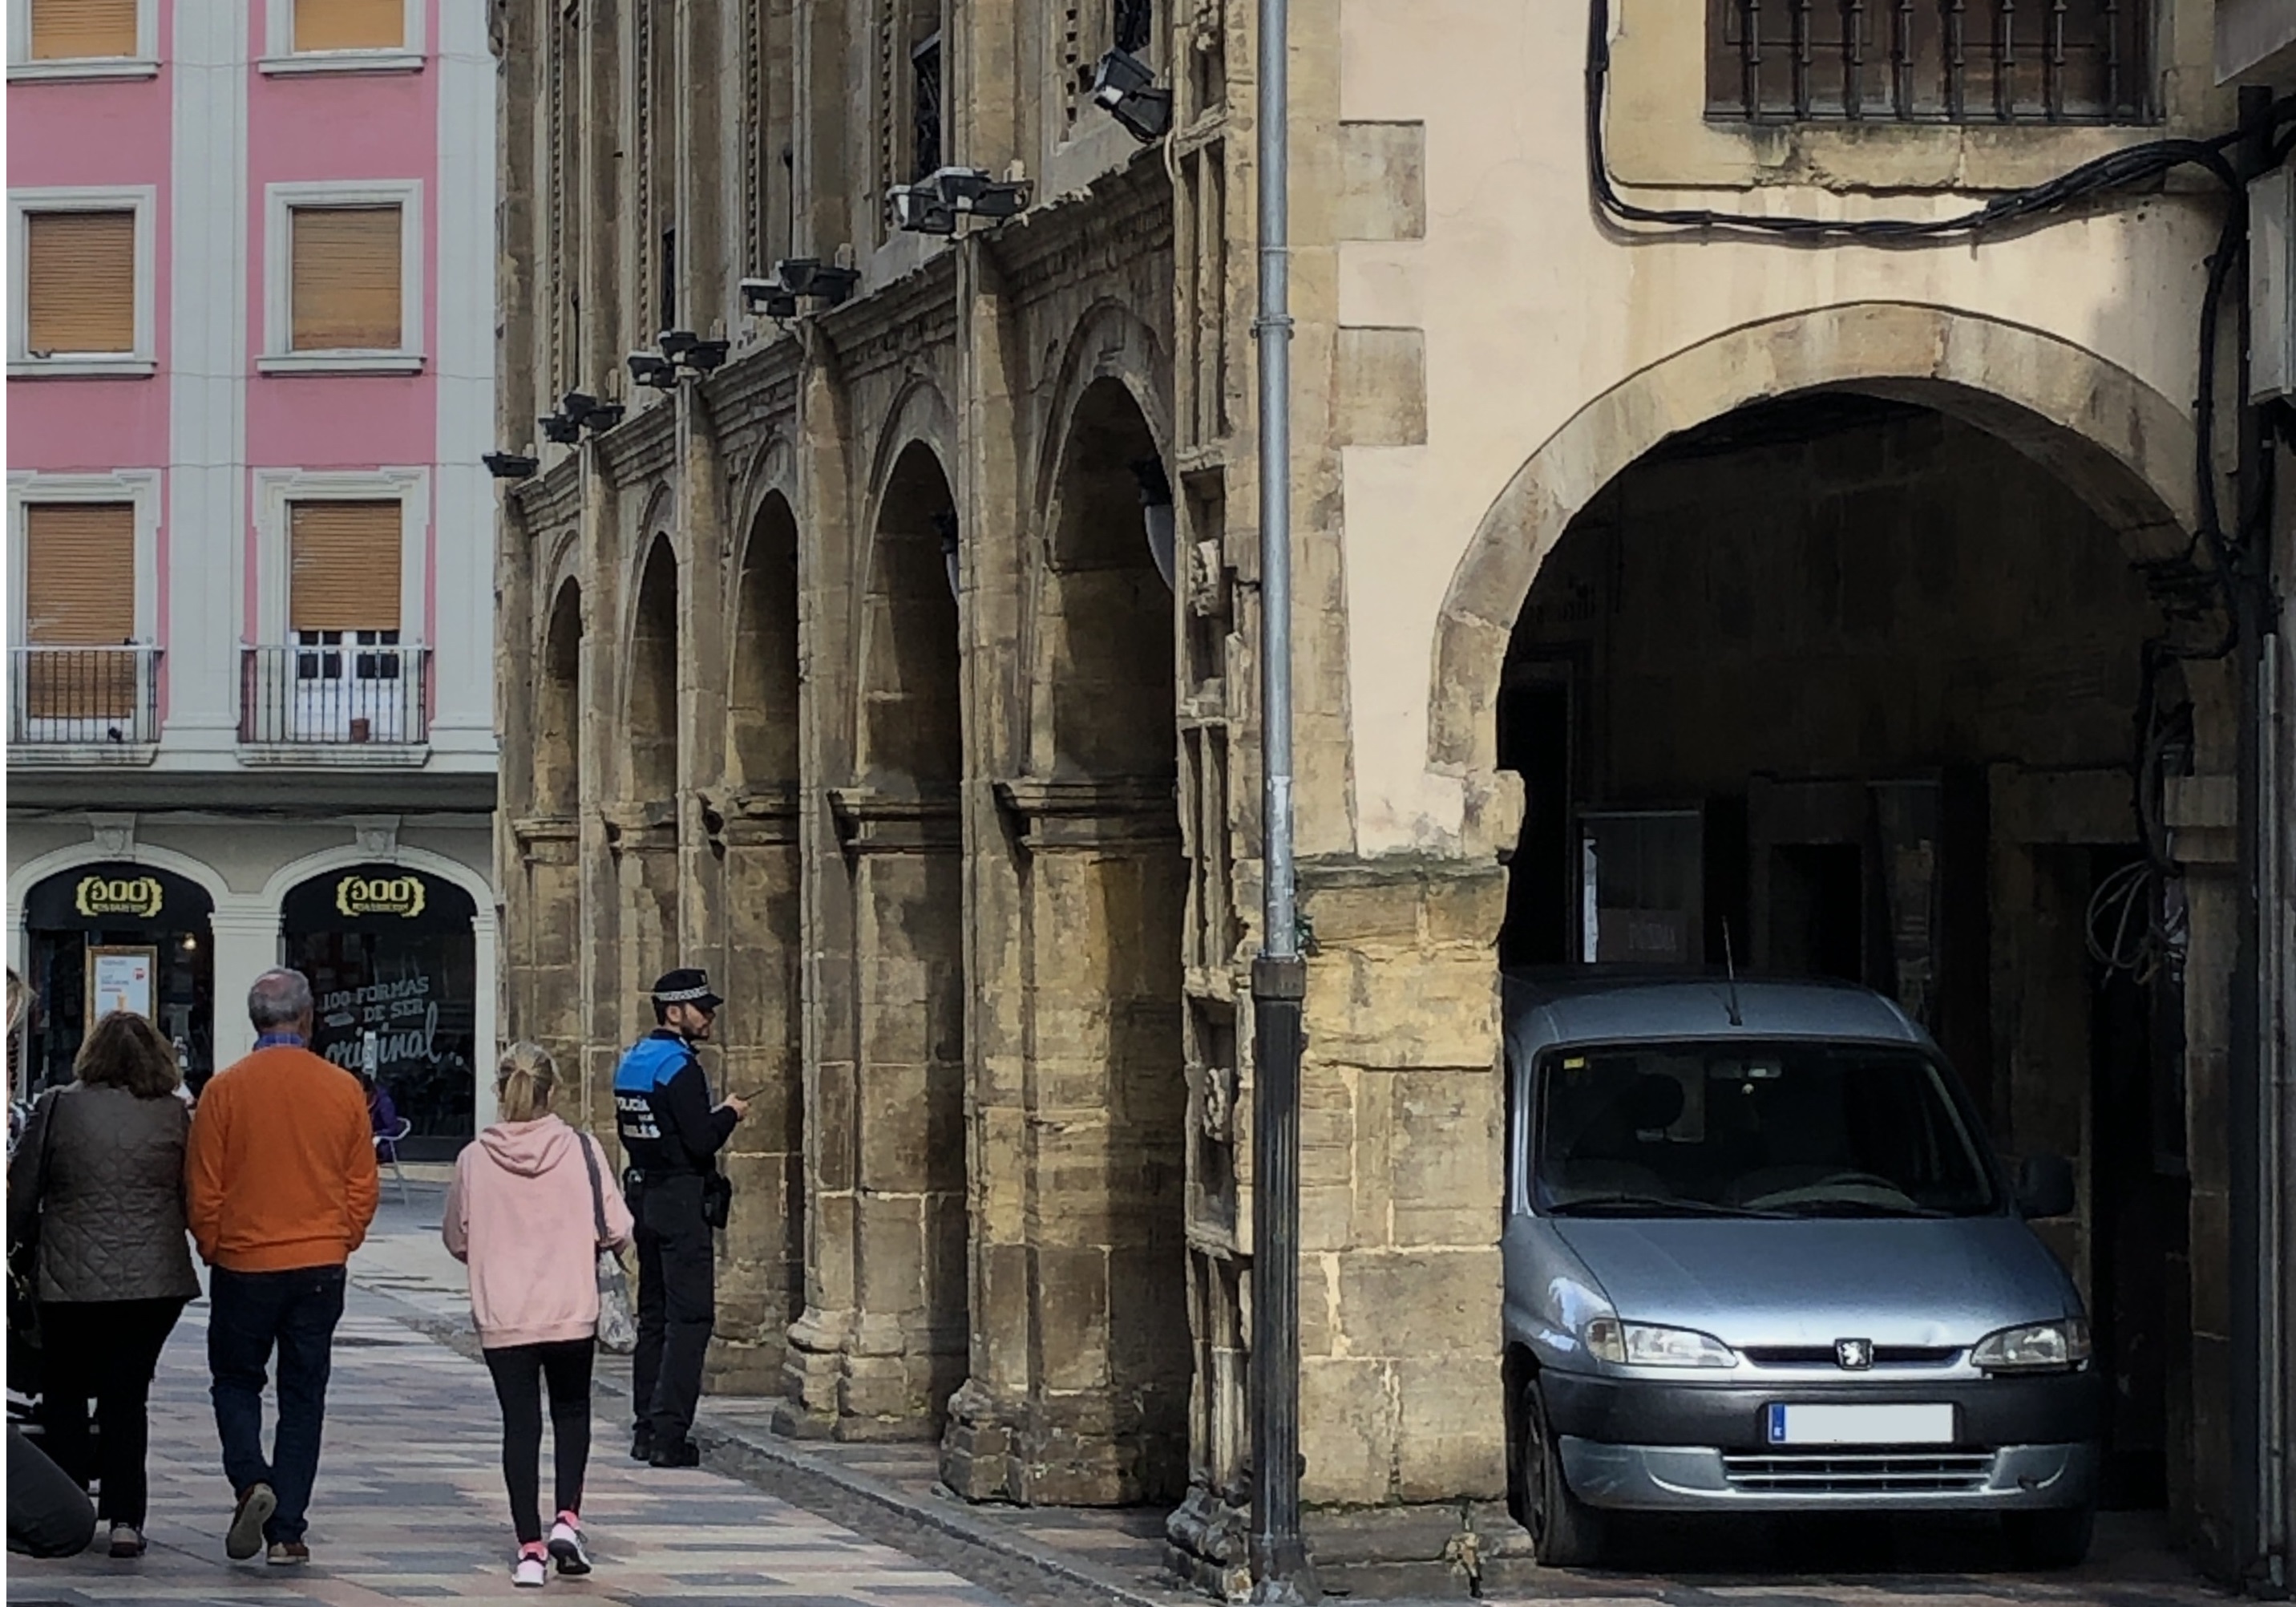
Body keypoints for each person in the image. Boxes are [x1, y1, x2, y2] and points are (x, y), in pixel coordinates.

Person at [185, 970, 378, 1567]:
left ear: (254, 1021)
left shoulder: (224, 1090)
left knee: (236, 1380)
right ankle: (288, 1530)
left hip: (246, 1260)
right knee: (304, 1394)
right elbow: (361, 1183)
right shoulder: (342, 1088)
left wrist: (216, 1244)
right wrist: (344, 1234)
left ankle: (250, 1480)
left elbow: (203, 1186)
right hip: (319, 1259)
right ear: (308, 1017)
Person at [5, 1011, 199, 1558]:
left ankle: (69, 1507)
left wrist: (16, 1242)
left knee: (63, 1390)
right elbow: (192, 1191)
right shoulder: (174, 1116)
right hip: (155, 1280)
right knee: (126, 1397)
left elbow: (23, 1191)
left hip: (69, 1277)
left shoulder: (59, 1106)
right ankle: (126, 1519)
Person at [444, 1042, 633, 1587]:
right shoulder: (582, 1148)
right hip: (570, 1307)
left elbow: (457, 1236)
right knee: (572, 1414)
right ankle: (567, 1523)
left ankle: (529, 1548)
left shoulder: (474, 1159)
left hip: (504, 1313)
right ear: (554, 1092)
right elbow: (617, 1228)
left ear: (500, 1093)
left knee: (520, 1426)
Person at [614, 968, 746, 1468]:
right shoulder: (680, 1068)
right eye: (701, 1009)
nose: (709, 1017)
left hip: (644, 1194)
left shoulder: (632, 1062)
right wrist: (729, 1113)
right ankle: (670, 1434)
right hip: (680, 1198)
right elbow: (700, 1140)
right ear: (674, 1012)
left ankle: (646, 1426)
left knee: (653, 1316)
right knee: (689, 1318)